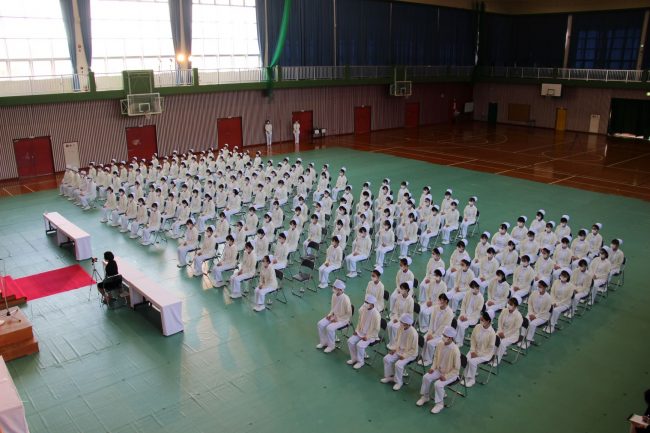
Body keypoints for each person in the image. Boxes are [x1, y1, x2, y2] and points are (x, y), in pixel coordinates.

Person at [416, 325, 461, 414]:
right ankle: (425, 397)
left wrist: (446, 376)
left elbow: (456, 369)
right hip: (439, 369)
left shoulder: (455, 350)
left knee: (438, 384)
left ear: (450, 338)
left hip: (451, 374)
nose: (443, 337)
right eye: (443, 335)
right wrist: (433, 368)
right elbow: (436, 357)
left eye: (445, 336)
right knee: (426, 377)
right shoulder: (440, 344)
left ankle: (440, 404)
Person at [381, 313, 418, 391]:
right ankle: (389, 376)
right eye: (401, 322)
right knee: (386, 359)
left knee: (398, 364)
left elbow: (413, 349)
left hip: (410, 354)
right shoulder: (401, 328)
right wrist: (394, 349)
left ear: (408, 324)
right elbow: (396, 340)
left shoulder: (414, 334)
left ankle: (399, 382)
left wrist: (404, 355)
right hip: (399, 350)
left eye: (402, 322)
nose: (400, 323)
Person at [316, 279, 352, 353]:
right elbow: (333, 308)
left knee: (329, 328)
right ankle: (323, 342)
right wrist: (330, 314)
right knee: (320, 324)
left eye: (335, 288)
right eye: (333, 287)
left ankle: (331, 346)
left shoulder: (346, 299)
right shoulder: (334, 295)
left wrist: (337, 319)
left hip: (343, 320)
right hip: (334, 316)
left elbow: (348, 314)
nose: (333, 289)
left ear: (340, 289)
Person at [346, 294, 381, 369]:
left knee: (360, 345)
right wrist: (357, 330)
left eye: (367, 303)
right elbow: (359, 321)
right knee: (350, 341)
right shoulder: (364, 309)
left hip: (370, 335)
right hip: (360, 332)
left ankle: (360, 362)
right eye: (365, 302)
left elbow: (376, 329)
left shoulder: (376, 314)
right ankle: (354, 358)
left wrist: (367, 336)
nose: (365, 304)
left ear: (372, 304)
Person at [464, 311, 496, 387]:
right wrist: (472, 351)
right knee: (467, 358)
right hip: (475, 350)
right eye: (481, 319)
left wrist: (478, 354)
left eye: (483, 320)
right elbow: (473, 339)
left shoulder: (492, 333)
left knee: (472, 362)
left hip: (485, 354)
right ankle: (466, 376)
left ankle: (472, 379)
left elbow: (490, 349)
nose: (481, 320)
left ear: (488, 321)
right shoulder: (477, 327)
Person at [419, 293, 454, 366]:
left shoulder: (449, 313)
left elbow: (443, 327)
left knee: (430, 343)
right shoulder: (436, 308)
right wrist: (429, 333)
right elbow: (431, 322)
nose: (440, 302)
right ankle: (423, 357)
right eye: (439, 300)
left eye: (442, 300)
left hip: (442, 335)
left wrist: (433, 336)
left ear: (446, 301)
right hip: (432, 332)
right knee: (424, 339)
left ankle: (428, 360)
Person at [454, 279, 484, 347]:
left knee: (462, 325)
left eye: (474, 287)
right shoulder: (468, 293)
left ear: (478, 288)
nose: (472, 289)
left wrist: (467, 318)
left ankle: (460, 342)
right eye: (472, 287)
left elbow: (477, 312)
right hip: (464, 314)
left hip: (473, 318)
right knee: (458, 323)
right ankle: (455, 339)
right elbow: (463, 305)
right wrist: (462, 314)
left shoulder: (481, 298)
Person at [521, 279, 552, 346]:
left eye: (540, 287)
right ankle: (522, 338)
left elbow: (546, 311)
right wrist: (531, 313)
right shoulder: (534, 293)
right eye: (538, 286)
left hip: (542, 317)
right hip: (532, 314)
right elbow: (530, 304)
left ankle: (528, 341)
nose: (538, 288)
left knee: (532, 324)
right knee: (525, 321)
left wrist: (536, 316)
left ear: (545, 287)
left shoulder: (548, 298)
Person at [495, 298, 523, 365]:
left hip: (512, 335)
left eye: (511, 304)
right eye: (508, 303)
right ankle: (492, 357)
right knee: (494, 339)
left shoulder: (519, 316)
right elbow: (500, 321)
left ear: (515, 306)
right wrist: (500, 331)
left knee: (502, 343)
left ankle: (496, 361)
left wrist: (505, 335)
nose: (508, 305)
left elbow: (515, 329)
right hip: (502, 331)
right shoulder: (504, 310)